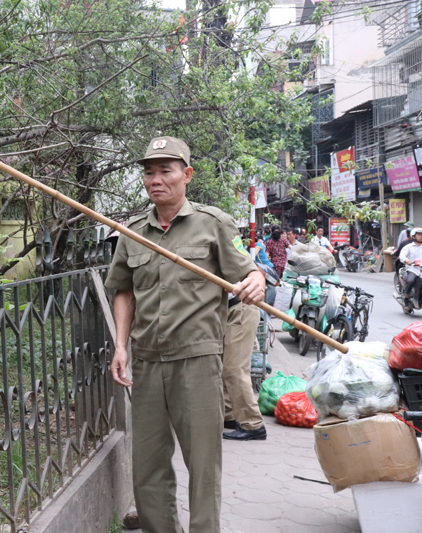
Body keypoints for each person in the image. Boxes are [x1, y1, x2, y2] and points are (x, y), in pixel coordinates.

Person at [105, 136, 265, 533]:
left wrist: (256, 280)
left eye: (165, 170)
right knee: (147, 467)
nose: (156, 179)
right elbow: (123, 290)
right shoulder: (132, 232)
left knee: (203, 467)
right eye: (149, 172)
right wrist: (120, 346)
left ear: (186, 174)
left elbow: (247, 271)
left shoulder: (213, 224)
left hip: (196, 361)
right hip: (146, 362)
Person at [222, 297, 266, 440]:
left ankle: (253, 424)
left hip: (240, 309)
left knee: (235, 368)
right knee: (223, 365)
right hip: (226, 309)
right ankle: (229, 415)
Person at [399, 228, 422, 307]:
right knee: (411, 280)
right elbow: (402, 256)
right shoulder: (408, 247)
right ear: (414, 236)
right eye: (419, 235)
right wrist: (406, 260)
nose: (421, 236)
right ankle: (406, 296)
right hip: (413, 269)